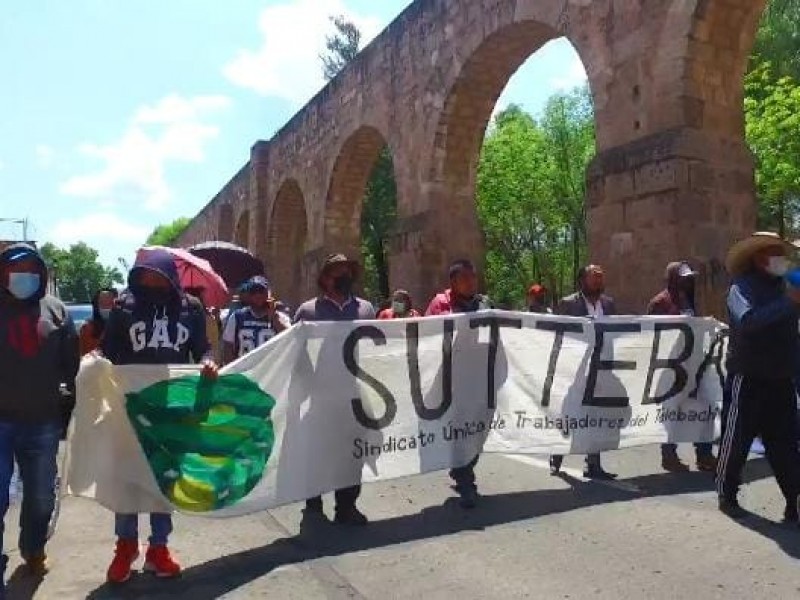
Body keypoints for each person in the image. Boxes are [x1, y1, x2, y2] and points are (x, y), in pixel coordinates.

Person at [100, 249, 219, 583]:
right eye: (144, 274)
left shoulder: (190, 309)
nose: (150, 280)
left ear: (169, 275)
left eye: (157, 274)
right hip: (131, 406)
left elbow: (202, 348)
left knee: (163, 478)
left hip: (172, 408)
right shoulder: (125, 307)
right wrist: (93, 360)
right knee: (128, 476)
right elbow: (108, 351)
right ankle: (125, 546)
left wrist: (209, 362)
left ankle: (159, 548)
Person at [0, 243, 80, 587]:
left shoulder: (57, 311)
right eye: (16, 269)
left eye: (32, 269)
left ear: (41, 273)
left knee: (40, 497)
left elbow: (71, 364)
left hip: (42, 422)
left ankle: (33, 549)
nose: (23, 276)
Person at [717, 232, 800, 522]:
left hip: (782, 379)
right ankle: (727, 493)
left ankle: (794, 501)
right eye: (774, 252)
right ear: (758, 258)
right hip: (749, 378)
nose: (781, 257)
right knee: (737, 439)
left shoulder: (787, 287)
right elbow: (749, 322)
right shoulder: (740, 289)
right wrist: (789, 303)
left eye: (781, 251)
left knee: (786, 446)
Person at [294, 254, 376, 525]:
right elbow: (298, 354)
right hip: (320, 395)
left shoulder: (366, 309)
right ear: (325, 278)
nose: (344, 276)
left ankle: (346, 505)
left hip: (354, 393)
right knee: (318, 451)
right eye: (337, 272)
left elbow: (377, 351)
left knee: (352, 452)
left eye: (347, 271)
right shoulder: (307, 311)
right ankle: (314, 503)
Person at [426, 259, 493, 508]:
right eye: (465, 278)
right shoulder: (440, 304)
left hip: (481, 378)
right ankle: (466, 481)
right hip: (452, 380)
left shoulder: (485, 304)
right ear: (453, 281)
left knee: (478, 429)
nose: (471, 282)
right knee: (461, 429)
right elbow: (428, 338)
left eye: (473, 277)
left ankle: (462, 467)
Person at [647, 262, 717, 473]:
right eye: (683, 277)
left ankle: (704, 454)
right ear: (672, 278)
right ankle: (669, 455)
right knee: (671, 411)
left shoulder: (689, 299)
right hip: (671, 367)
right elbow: (653, 332)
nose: (687, 281)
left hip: (694, 363)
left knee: (704, 406)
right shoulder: (660, 302)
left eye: (689, 277)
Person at [550, 265, 617, 480]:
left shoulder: (608, 304)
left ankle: (594, 464)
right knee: (569, 414)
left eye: (601, 276)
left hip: (600, 367)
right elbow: (557, 335)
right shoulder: (568, 304)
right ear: (582, 281)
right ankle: (557, 453)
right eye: (594, 277)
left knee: (596, 415)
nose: (598, 280)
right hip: (574, 369)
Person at [222, 276, 290, 364]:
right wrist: (232, 372)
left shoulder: (280, 317)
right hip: (245, 371)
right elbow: (228, 345)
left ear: (268, 294)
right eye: (253, 291)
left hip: (270, 371)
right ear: (249, 295)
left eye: (261, 291)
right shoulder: (237, 317)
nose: (258, 295)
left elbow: (290, 338)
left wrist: (274, 317)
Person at [79, 288, 119, 356]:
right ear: (96, 305)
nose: (106, 307)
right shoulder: (87, 328)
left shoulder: (125, 327)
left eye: (110, 303)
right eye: (102, 303)